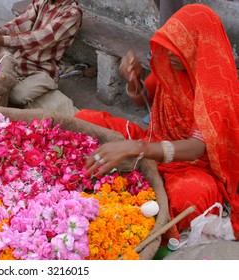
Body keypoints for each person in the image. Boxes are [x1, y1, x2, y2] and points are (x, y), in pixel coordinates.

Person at [77, 4, 239, 241]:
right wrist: (132, 81)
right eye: (170, 46)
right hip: (154, 141)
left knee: (189, 197)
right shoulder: (171, 66)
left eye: (179, 47)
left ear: (197, 46)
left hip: (193, 165)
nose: (171, 53)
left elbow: (198, 146)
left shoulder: (217, 86)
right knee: (85, 120)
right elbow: (144, 99)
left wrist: (139, 149)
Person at [0, 0, 82, 117]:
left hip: (43, 69)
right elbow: (19, 23)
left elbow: (42, 38)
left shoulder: (72, 13)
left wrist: (4, 40)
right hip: (20, 60)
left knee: (17, 95)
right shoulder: (42, 2)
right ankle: (23, 86)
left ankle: (47, 90)